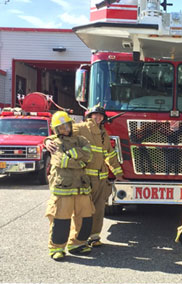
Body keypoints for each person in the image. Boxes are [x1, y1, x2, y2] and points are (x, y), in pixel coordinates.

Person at [44, 104, 124, 247]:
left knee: (98, 210)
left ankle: (94, 237)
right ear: (89, 116)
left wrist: (119, 174)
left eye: (101, 116)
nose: (98, 118)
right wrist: (47, 140)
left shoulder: (103, 133)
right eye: (95, 115)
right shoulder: (81, 128)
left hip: (101, 179)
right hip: (86, 178)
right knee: (82, 212)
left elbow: (110, 155)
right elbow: (62, 132)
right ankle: (78, 239)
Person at [45, 111, 95, 261]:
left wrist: (74, 154)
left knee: (85, 217)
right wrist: (80, 161)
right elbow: (62, 161)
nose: (65, 130)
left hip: (81, 186)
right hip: (63, 187)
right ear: (56, 130)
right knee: (61, 219)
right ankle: (57, 248)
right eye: (61, 128)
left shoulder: (81, 139)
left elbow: (89, 155)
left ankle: (77, 244)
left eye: (66, 126)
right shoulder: (55, 143)